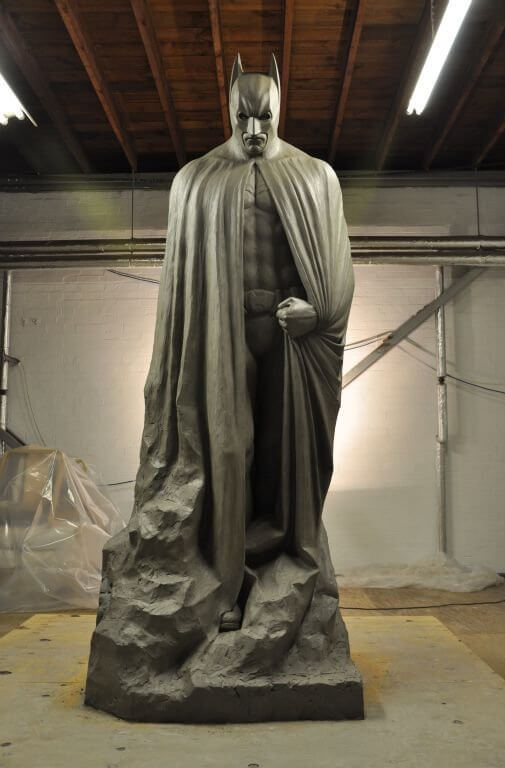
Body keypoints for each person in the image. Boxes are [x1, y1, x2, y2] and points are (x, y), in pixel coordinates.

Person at [85, 54, 358, 722]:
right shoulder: (196, 180)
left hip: (288, 339)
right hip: (221, 338)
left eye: (265, 117)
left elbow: (337, 265)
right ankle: (226, 587)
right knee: (225, 455)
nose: (255, 129)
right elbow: (180, 289)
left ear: (281, 108)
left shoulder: (315, 177)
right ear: (227, 109)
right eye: (243, 117)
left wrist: (319, 310)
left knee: (285, 465)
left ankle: (283, 570)